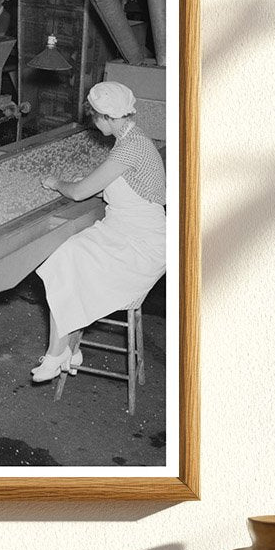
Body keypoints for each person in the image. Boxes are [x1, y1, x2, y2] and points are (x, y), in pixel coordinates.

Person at [31, 81, 166, 382]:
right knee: (69, 257)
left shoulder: (129, 148)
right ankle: (68, 349)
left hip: (140, 245)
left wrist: (57, 183)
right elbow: (121, 182)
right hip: (129, 231)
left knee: (66, 259)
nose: (94, 122)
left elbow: (79, 193)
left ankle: (57, 353)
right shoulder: (134, 139)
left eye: (95, 117)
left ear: (106, 117)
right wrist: (91, 181)